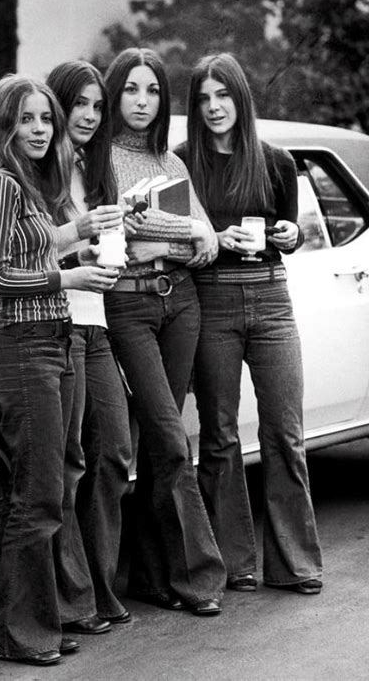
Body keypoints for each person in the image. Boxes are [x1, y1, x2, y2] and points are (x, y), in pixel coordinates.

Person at [0, 74, 121, 665]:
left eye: (45, 119)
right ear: (3, 124)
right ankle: (13, 633)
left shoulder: (21, 183)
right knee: (38, 494)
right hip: (24, 347)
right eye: (27, 119)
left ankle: (38, 623)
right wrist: (69, 276)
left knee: (47, 490)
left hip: (51, 340)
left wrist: (78, 230)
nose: (40, 130)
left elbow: (31, 247)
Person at [176, 52, 323, 595]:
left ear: (241, 98)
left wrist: (291, 235)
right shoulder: (181, 162)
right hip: (211, 300)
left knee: (285, 432)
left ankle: (296, 564)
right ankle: (235, 563)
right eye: (204, 99)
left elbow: (293, 229)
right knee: (218, 436)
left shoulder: (276, 160)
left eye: (223, 95)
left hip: (271, 297)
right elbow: (174, 240)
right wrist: (212, 243)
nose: (215, 107)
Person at [103, 47, 227, 616]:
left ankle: (152, 577)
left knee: (162, 448)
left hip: (182, 305)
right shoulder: (99, 159)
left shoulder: (172, 164)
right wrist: (185, 232)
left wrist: (169, 239)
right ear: (115, 94)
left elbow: (210, 244)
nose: (142, 101)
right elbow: (125, 227)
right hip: (129, 310)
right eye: (131, 89)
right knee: (173, 440)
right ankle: (200, 578)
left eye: (152, 91)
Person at [46, 59, 133, 624]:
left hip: (96, 322)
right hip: (59, 321)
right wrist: (78, 248)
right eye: (79, 103)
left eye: (98, 106)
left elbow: (112, 246)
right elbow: (24, 252)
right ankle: (73, 598)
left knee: (116, 453)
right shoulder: (38, 171)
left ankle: (99, 585)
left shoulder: (95, 171)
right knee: (68, 465)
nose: (90, 115)